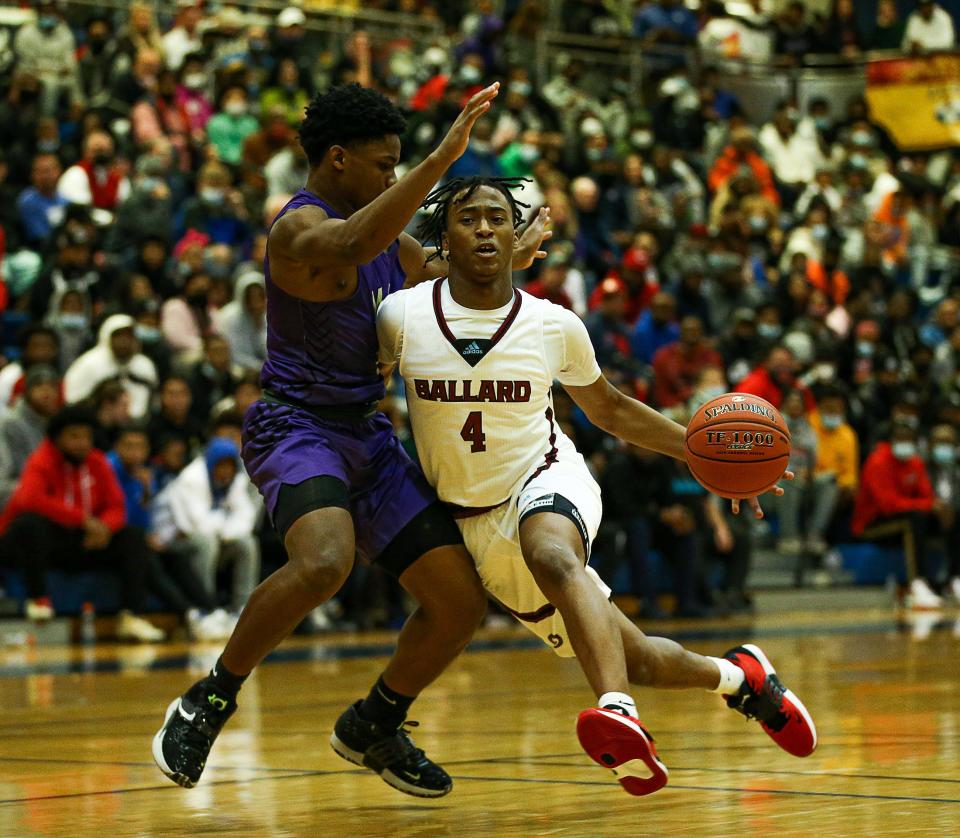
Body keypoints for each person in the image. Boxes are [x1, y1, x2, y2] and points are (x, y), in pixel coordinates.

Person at [153, 82, 550, 796]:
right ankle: (209, 698)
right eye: (385, 165)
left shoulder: (388, 242)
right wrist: (440, 160)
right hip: (297, 426)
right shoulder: (298, 230)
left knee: (458, 601)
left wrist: (506, 254)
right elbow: (354, 241)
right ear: (338, 161)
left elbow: (443, 278)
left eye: (400, 165)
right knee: (325, 560)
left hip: (367, 434)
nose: (394, 176)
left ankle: (374, 722)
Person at [377, 175, 816, 797]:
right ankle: (743, 680)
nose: (483, 228)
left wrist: (699, 456)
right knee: (633, 656)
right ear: (444, 237)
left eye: (497, 218)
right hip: (470, 521)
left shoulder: (553, 324)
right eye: (468, 218)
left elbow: (608, 409)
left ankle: (617, 710)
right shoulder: (400, 316)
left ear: (516, 237)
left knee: (553, 555)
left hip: (546, 475)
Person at [0, 405, 164, 640]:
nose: (82, 443)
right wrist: (84, 520)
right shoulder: (41, 459)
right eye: (74, 436)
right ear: (58, 438)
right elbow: (30, 499)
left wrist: (105, 527)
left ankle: (131, 616)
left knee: (132, 536)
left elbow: (116, 506)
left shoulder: (97, 462)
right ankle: (38, 600)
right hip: (42, 543)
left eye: (86, 436)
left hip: (84, 542)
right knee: (30, 524)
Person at [852, 422, 943, 609]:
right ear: (891, 441)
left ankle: (953, 578)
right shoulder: (878, 461)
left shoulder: (915, 462)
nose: (905, 443)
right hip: (871, 525)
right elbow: (888, 505)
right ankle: (916, 584)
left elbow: (927, 494)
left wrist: (938, 509)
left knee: (949, 517)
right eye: (900, 439)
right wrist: (928, 505)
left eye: (909, 440)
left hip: (905, 515)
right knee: (914, 520)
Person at [64, 314, 158, 419]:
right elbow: (73, 401)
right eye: (119, 336)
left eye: (129, 336)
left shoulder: (144, 365)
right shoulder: (88, 365)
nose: (125, 342)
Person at [0, 365, 61, 509]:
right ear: (26, 391)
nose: (46, 392)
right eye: (39, 386)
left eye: (51, 387)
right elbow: (13, 476)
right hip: (16, 494)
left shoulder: (57, 422)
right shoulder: (11, 425)